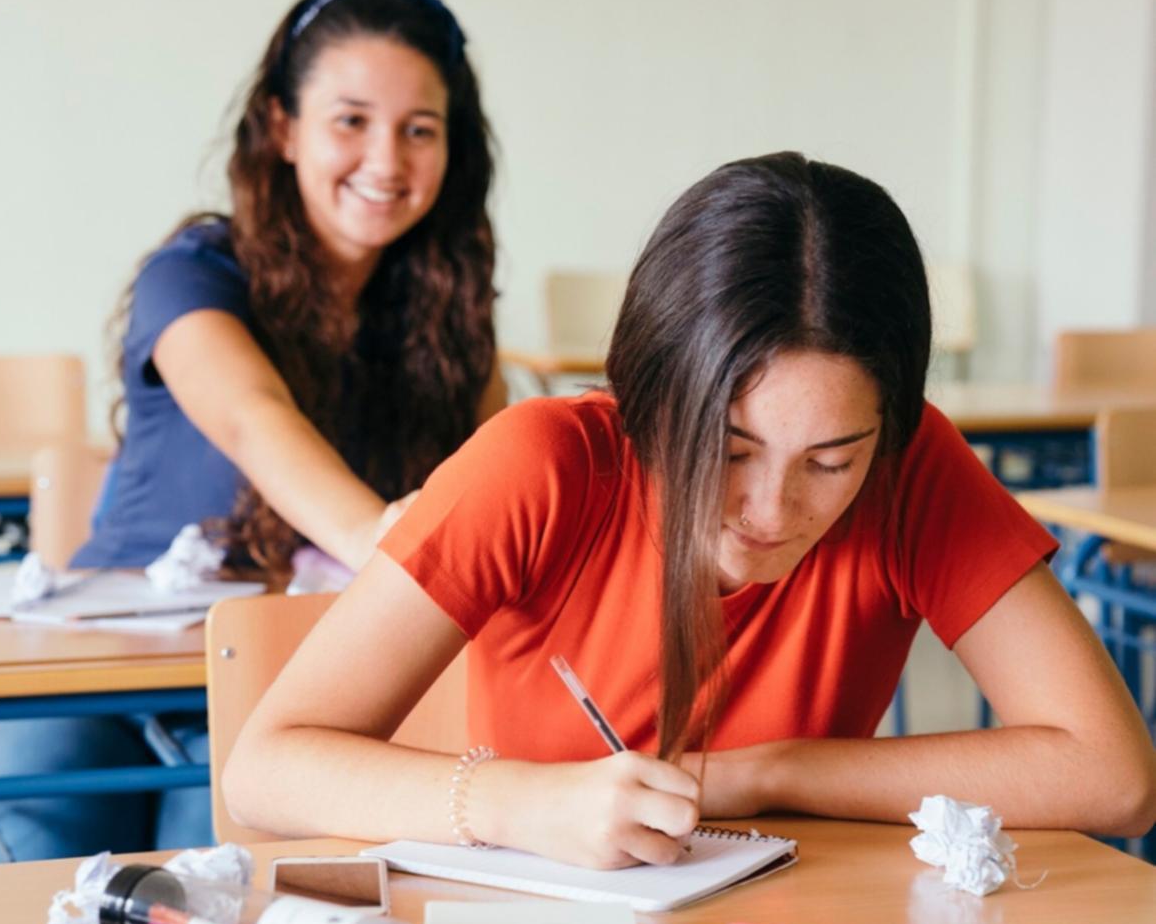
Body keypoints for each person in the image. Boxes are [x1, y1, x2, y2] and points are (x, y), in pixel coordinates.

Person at [225, 152, 1156, 868]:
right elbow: (267, 768)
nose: (769, 510)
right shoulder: (541, 468)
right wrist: (524, 803)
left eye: (830, 462)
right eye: (727, 449)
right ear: (644, 395)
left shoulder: (911, 470)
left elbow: (1113, 777)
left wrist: (762, 772)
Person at [0, 0, 504, 862]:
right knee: (33, 837)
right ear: (283, 128)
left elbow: (492, 486)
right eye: (351, 120)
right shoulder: (192, 274)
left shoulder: (454, 322)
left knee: (219, 883)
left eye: (420, 130)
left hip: (296, 685)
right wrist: (388, 541)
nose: (387, 159)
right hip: (112, 658)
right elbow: (253, 419)